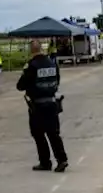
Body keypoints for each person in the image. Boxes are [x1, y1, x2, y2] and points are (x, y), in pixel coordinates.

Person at [16, 41, 68, 172]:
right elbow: (58, 81)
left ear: (31, 50)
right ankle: (62, 160)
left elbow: (20, 86)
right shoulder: (52, 63)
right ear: (41, 49)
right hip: (52, 103)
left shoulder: (31, 66)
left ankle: (45, 162)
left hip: (37, 106)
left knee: (38, 134)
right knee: (53, 133)